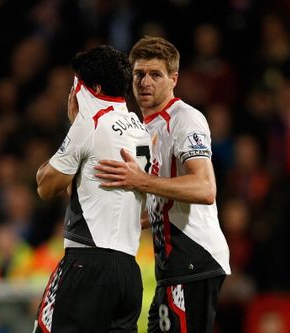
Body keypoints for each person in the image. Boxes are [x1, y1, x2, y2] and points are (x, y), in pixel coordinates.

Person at [95, 36, 231, 333]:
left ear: (174, 79)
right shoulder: (143, 127)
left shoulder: (185, 119)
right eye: (139, 74)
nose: (145, 82)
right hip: (172, 266)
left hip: (193, 259)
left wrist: (140, 180)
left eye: (155, 74)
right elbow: (164, 202)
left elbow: (205, 188)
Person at [33, 45, 152, 333]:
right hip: (127, 271)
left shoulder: (89, 125)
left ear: (92, 88)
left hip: (87, 265)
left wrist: (74, 127)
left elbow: (46, 187)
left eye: (76, 84)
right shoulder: (141, 129)